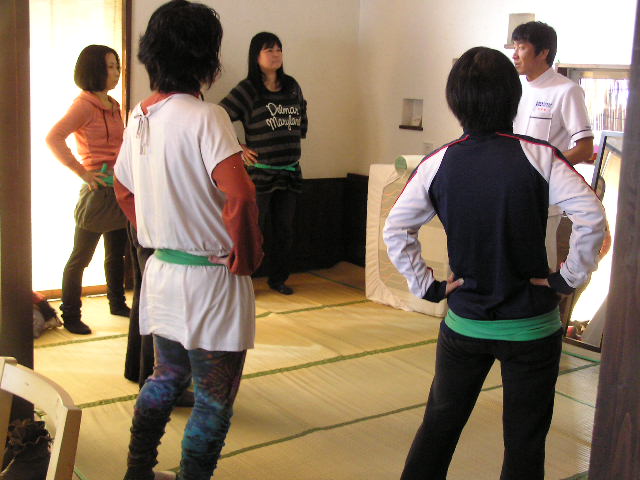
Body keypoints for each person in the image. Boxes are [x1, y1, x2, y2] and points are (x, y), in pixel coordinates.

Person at [383, 47, 606, 480]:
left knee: (439, 428)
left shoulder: (437, 162)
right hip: (532, 328)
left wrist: (427, 285)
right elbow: (591, 216)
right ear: (512, 97)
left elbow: (397, 229)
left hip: (466, 323)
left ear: (455, 102)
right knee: (524, 442)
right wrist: (567, 278)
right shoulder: (541, 155)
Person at [114, 1, 263, 479]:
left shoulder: (140, 115)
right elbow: (240, 194)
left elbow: (122, 188)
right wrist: (247, 256)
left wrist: (158, 225)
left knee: (167, 376)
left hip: (162, 270)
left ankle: (138, 470)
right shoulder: (207, 116)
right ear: (205, 56)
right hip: (211, 276)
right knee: (214, 398)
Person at [512, 21, 598, 326]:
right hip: (513, 191)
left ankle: (543, 324)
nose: (515, 54)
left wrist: (545, 172)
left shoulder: (566, 90)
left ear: (543, 52)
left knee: (540, 261)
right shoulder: (516, 90)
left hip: (544, 197)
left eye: (522, 47)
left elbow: (584, 148)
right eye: (514, 47)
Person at [46, 45, 130, 335]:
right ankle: (70, 314)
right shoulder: (83, 105)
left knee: (117, 254)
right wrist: (82, 171)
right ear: (94, 70)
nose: (116, 73)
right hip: (96, 193)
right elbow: (54, 137)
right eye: (110, 67)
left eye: (117, 66)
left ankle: (117, 303)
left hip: (119, 189)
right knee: (81, 257)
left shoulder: (113, 104)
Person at [220, 31, 307, 295]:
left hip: (289, 173)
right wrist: (238, 147)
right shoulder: (248, 89)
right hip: (259, 175)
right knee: (253, 229)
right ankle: (246, 280)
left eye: (279, 49)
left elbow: (302, 113)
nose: (276, 54)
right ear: (256, 56)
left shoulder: (292, 86)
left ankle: (278, 279)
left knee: (284, 230)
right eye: (269, 50)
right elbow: (219, 117)